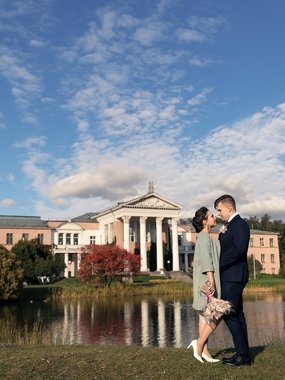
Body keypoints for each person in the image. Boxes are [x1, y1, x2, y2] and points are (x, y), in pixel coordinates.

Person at [214, 194, 252, 366]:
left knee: (229, 314)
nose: (219, 214)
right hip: (230, 276)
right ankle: (244, 354)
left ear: (229, 208)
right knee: (237, 314)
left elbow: (238, 251)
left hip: (234, 276)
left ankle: (243, 355)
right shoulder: (229, 226)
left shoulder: (240, 225)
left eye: (220, 210)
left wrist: (217, 265)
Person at [188, 207, 221, 363]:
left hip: (205, 280)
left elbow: (214, 253)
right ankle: (199, 344)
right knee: (215, 316)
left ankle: (205, 352)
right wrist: (211, 281)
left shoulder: (206, 237)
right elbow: (208, 261)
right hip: (207, 282)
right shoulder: (203, 237)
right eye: (212, 216)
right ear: (204, 221)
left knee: (204, 318)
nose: (215, 218)